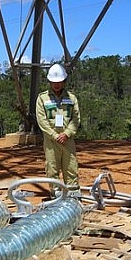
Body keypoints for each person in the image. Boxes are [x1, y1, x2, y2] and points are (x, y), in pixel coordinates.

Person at [35, 63, 81, 195]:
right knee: (52, 169)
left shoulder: (71, 98)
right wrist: (55, 135)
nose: (56, 85)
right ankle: (55, 196)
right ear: (49, 81)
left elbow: (76, 118)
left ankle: (73, 196)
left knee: (71, 168)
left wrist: (66, 134)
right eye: (54, 82)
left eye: (59, 82)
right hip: (51, 141)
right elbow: (42, 120)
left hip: (68, 140)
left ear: (64, 81)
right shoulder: (42, 98)